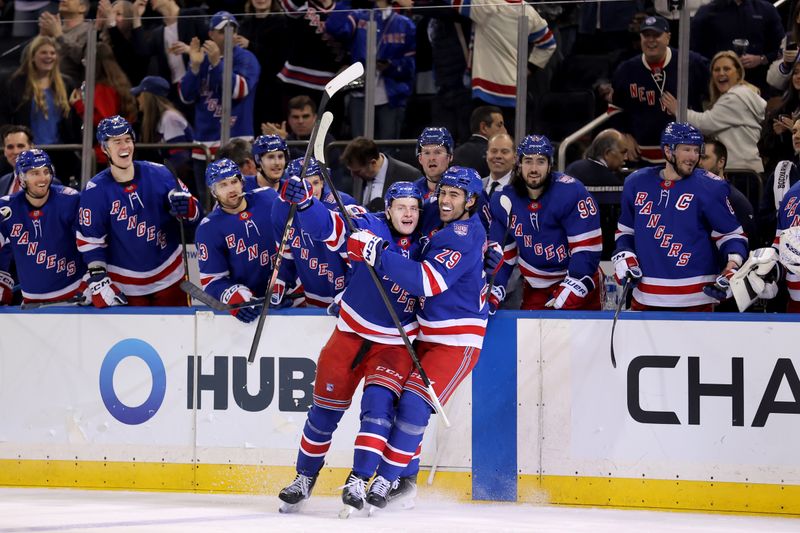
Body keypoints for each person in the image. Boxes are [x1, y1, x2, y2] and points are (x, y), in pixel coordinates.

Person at [276, 179, 424, 513]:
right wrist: (306, 204)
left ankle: (361, 479)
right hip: (351, 334)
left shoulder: (427, 238)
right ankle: (304, 477)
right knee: (323, 413)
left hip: (393, 346)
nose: (408, 214)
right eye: (401, 207)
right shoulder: (370, 226)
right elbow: (329, 228)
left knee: (379, 412)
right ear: (387, 209)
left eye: (414, 208)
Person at [346, 166, 488, 510]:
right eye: (443, 193)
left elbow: (426, 281)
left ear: (470, 201)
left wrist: (379, 255)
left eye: (455, 195)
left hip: (457, 339)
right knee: (388, 400)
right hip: (423, 333)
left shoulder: (464, 233)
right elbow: (399, 213)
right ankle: (402, 478)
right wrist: (356, 212)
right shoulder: (437, 219)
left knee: (412, 405)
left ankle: (388, 477)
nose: (445, 200)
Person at [613, 122, 748, 311]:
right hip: (645, 296)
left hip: (696, 298)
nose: (693, 157)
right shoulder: (636, 183)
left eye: (696, 150)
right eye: (686, 149)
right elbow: (626, 231)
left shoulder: (711, 187)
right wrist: (624, 253)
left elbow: (732, 236)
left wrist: (732, 265)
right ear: (668, 151)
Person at [76, 115, 202, 307]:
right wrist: (97, 274)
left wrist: (188, 209)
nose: (124, 146)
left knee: (175, 337)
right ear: (104, 148)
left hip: (170, 277)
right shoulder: (95, 191)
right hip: (125, 285)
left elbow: (197, 216)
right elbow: (90, 241)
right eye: (116, 141)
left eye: (127, 140)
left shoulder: (161, 174)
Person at [488, 135, 603, 312]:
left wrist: (576, 283)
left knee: (583, 337)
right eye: (528, 161)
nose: (534, 168)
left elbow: (586, 248)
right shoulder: (503, 200)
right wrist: (494, 288)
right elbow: (503, 255)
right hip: (536, 285)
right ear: (519, 164)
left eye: (540, 161)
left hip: (577, 278)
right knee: (534, 338)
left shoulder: (571, 192)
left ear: (550, 165)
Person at [662, 50, 767, 211]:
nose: (721, 73)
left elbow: (705, 123)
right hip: (744, 171)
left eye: (727, 69)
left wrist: (678, 110)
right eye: (716, 70)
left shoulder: (736, 97)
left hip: (740, 173)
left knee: (739, 224)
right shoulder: (741, 96)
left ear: (738, 72)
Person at [178, 11, 261, 204]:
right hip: (205, 145)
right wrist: (195, 67)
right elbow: (186, 96)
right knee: (208, 204)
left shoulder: (246, 58)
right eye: (223, 31)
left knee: (243, 201)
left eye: (232, 29)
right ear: (211, 34)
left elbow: (239, 90)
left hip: (238, 143)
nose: (228, 34)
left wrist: (217, 65)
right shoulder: (202, 58)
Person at [610, 15, 708, 164]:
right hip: (641, 158)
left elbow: (714, 91)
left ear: (668, 37)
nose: (651, 40)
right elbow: (614, 108)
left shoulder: (691, 63)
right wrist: (624, 134)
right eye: (646, 35)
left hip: (686, 155)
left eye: (656, 35)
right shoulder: (626, 69)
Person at [448, 0, 555, 132]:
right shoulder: (528, 11)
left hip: (486, 91)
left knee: (484, 144)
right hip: (514, 90)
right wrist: (527, 70)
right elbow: (548, 45)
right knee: (510, 146)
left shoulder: (486, 5)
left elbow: (452, 1)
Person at [195, 158, 277, 322]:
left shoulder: (269, 198)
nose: (231, 189)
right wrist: (234, 296)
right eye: (223, 185)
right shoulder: (208, 229)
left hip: (287, 294)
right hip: (250, 305)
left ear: (242, 182)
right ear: (213, 192)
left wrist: (290, 283)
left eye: (234, 181)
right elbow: (212, 280)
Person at [0, 149, 86, 305]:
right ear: (21, 177)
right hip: (30, 301)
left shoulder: (70, 200)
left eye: (46, 171)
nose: (43, 178)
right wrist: (2, 279)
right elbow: (3, 248)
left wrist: (92, 275)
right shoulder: (7, 208)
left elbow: (90, 241)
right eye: (35, 173)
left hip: (74, 297)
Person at [269, 156, 354, 308]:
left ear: (323, 182)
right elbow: (285, 254)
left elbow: (356, 260)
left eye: (315, 183)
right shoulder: (280, 208)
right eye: (304, 186)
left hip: (344, 296)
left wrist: (349, 294)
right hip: (310, 293)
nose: (311, 191)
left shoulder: (343, 204)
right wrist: (280, 282)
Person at [326, 0, 416, 139]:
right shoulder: (359, 17)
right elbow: (334, 29)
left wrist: (390, 65)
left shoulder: (405, 24)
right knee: (359, 148)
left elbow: (410, 65)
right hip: (360, 93)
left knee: (388, 147)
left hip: (391, 95)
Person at [0, 36, 81, 185]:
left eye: (52, 53)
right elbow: (4, 117)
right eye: (43, 52)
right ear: (32, 57)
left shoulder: (66, 83)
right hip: (26, 152)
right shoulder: (15, 83)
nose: (49, 56)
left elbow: (74, 121)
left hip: (60, 153)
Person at [690, 0, 783, 93]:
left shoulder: (767, 10)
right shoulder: (707, 12)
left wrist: (761, 59)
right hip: (717, 91)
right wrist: (719, 67)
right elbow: (693, 53)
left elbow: (781, 49)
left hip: (757, 88)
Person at [70, 42, 138, 167]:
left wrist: (79, 105)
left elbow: (106, 123)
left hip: (105, 156)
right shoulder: (117, 84)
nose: (84, 64)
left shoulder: (104, 89)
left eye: (86, 60)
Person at [132, 75, 194, 188]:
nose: (137, 99)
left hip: (184, 183)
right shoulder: (160, 119)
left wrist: (160, 179)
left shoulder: (170, 118)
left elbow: (181, 158)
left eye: (140, 94)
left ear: (148, 96)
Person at [237, 0, 289, 126]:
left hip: (271, 86)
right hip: (250, 86)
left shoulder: (281, 22)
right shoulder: (244, 24)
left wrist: (250, 45)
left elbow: (278, 57)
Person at [699, 138, 757, 251]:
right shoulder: (693, 194)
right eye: (698, 157)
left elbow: (750, 242)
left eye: (704, 158)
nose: (699, 162)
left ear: (721, 162)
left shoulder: (736, 200)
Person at [340, 136, 419, 211]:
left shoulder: (410, 176)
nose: (352, 175)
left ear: (373, 163)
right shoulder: (362, 176)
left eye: (357, 171)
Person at [36, 0, 94, 82]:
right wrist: (42, 36)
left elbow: (82, 57)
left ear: (82, 8)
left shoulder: (89, 30)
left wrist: (59, 36)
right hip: (47, 82)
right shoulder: (53, 29)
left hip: (73, 85)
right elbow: (27, 59)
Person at [413, 127, 454, 235]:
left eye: (437, 152)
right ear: (420, 159)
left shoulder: (464, 189)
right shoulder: (412, 192)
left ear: (450, 157)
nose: (432, 158)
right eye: (426, 153)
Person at [452, 106, 507, 179]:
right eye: (499, 125)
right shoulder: (494, 156)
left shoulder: (455, 153)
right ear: (483, 127)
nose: (505, 131)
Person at [0, 126, 36, 196]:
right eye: (10, 147)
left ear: (31, 148)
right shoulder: (2, 182)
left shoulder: (48, 182)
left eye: (20, 146)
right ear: (4, 151)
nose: (15, 151)